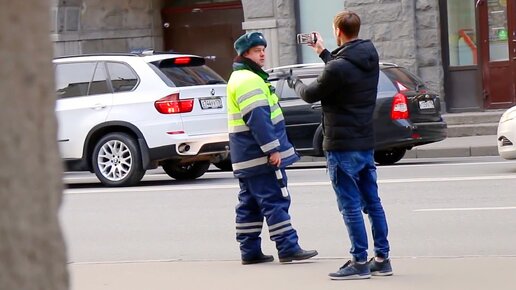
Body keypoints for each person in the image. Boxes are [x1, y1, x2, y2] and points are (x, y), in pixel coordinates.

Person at [289, 11, 393, 279]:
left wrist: (295, 82)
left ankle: (359, 262)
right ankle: (382, 259)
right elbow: (344, 71)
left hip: (341, 144)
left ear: (337, 30)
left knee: (349, 206)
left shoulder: (338, 67)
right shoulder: (368, 56)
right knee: (373, 202)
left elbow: (311, 93)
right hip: (364, 142)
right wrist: (323, 52)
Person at [227, 32, 318, 265]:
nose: (263, 54)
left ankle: (249, 251)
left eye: (263, 49)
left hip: (246, 156)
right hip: (260, 155)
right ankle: (288, 247)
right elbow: (258, 118)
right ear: (245, 54)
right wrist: (272, 150)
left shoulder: (240, 78)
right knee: (275, 199)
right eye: (257, 51)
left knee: (250, 203)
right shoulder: (249, 80)